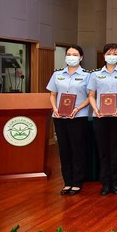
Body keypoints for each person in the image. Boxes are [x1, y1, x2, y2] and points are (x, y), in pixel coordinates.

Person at [46, 44, 90, 196]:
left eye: (75, 54)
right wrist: (55, 108)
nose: (71, 57)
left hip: (78, 116)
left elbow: (90, 97)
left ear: (81, 57)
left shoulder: (87, 75)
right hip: (60, 117)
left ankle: (77, 181)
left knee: (78, 149)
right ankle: (67, 182)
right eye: (69, 54)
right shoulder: (57, 74)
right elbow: (52, 95)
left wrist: (77, 108)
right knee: (64, 150)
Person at [87, 43, 117, 195]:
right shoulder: (95, 75)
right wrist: (96, 109)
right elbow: (91, 95)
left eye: (115, 53)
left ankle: (115, 182)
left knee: (116, 150)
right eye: (109, 53)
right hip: (100, 117)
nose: (112, 56)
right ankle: (105, 182)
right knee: (103, 151)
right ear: (104, 55)